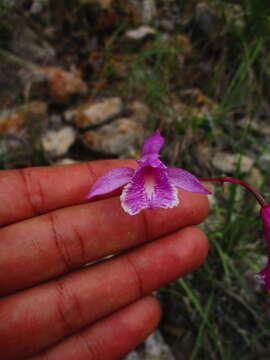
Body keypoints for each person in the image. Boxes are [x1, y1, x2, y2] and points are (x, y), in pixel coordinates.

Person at [0, 159, 209, 360]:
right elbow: (104, 185)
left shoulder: (153, 174)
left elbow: (189, 183)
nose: (150, 167)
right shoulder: (129, 174)